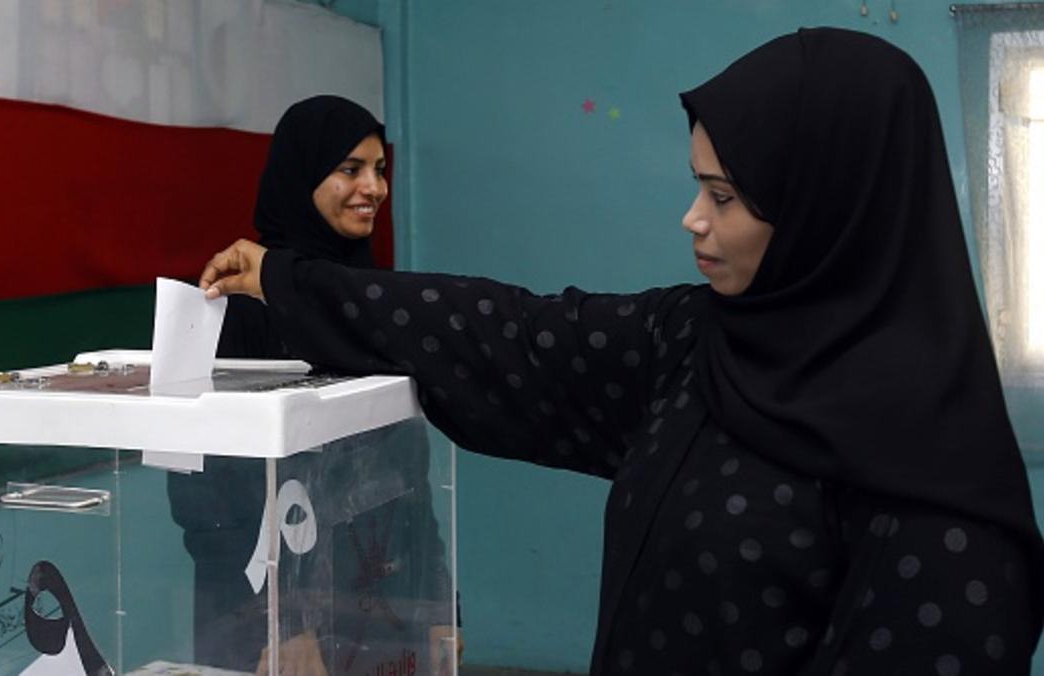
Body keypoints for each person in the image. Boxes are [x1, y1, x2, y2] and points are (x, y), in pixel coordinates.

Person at [198, 29, 1044, 674]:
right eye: (695, 186)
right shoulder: (699, 342)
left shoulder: (946, 513)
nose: (694, 219)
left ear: (833, 212)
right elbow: (508, 332)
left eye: (723, 195)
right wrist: (289, 280)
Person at [167, 95, 459, 676]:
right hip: (267, 629)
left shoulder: (374, 296)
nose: (372, 187)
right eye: (350, 169)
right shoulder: (238, 304)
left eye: (380, 170)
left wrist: (440, 606)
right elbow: (206, 494)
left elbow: (412, 478)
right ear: (301, 176)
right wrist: (273, 625)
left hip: (375, 609)